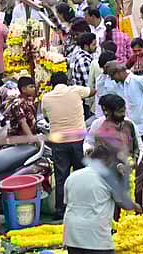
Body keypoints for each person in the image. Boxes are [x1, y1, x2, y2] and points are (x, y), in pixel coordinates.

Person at [63, 143, 143, 254]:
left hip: (72, 236)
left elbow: (67, 203)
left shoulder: (72, 177)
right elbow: (124, 203)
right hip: (96, 238)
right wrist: (137, 207)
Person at [105, 62, 143, 208]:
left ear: (119, 72)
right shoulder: (116, 86)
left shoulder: (139, 81)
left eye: (112, 75)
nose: (112, 79)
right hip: (123, 131)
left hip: (142, 129)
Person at [40, 71, 91, 220]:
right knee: (81, 175)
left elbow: (46, 117)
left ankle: (60, 210)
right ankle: (82, 207)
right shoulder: (76, 90)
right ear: (67, 82)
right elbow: (92, 91)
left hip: (59, 142)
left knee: (61, 177)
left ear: (52, 84)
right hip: (78, 141)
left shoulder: (46, 97)